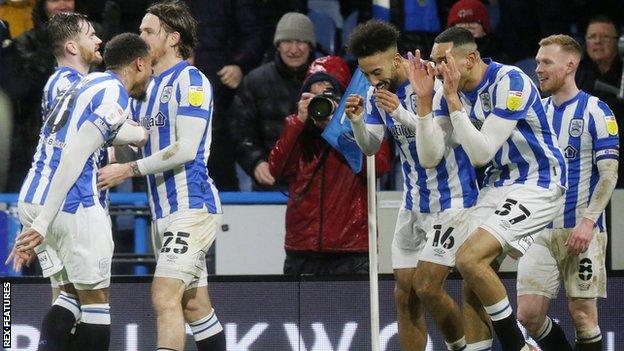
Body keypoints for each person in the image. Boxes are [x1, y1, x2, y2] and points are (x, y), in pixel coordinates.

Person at [405, 26, 566, 351]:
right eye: (434, 62)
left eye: (443, 60)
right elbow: (429, 156)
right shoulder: (442, 91)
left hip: (538, 181)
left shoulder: (510, 81)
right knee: (473, 283)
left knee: (469, 258)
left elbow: (480, 154)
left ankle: (518, 346)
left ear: (471, 58)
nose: (436, 70)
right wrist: (424, 101)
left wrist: (452, 101)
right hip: (495, 186)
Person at [7, 32, 151, 351]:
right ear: (140, 63)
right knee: (96, 300)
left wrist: (137, 134)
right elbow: (75, 152)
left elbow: (87, 131)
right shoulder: (115, 94)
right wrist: (43, 222)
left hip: (34, 194)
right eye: (150, 67)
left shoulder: (84, 83)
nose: (151, 75)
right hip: (71, 204)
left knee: (70, 292)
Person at [344, 20, 482, 351]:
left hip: (453, 203)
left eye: (375, 71)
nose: (371, 81)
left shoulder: (435, 83)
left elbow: (434, 150)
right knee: (405, 294)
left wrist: (403, 114)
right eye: (365, 75)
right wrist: (358, 121)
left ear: (396, 60)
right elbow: (371, 147)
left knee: (427, 286)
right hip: (413, 206)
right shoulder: (379, 92)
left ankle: (463, 346)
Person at [96, 2, 226, 350]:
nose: (140, 37)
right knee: (195, 306)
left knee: (163, 297)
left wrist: (129, 169)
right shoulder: (145, 89)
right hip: (162, 213)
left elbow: (185, 149)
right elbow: (134, 146)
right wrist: (98, 152)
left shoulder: (192, 80)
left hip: (192, 207)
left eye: (148, 31)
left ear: (172, 38)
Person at [516, 34, 619, 351]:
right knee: (528, 316)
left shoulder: (597, 111)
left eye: (546, 62)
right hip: (539, 232)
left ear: (570, 65)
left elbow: (609, 175)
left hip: (581, 231)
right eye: (537, 63)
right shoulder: (534, 114)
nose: (539, 69)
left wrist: (588, 222)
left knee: (583, 316)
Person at [268, 55, 392, 275]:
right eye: (313, 95)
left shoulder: (366, 125)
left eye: (327, 94)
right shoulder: (297, 128)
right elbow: (277, 171)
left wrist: (338, 129)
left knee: (353, 311)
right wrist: (298, 123)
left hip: (351, 247)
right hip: (302, 246)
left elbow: (378, 166)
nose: (320, 101)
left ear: (344, 97)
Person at [230, 11, 315, 191]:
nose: (293, 49)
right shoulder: (255, 81)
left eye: (300, 42)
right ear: (277, 45)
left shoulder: (325, 81)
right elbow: (239, 131)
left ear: (310, 45)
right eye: (287, 42)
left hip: (316, 183)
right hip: (270, 182)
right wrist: (256, 162)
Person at [188, 0, 268, 191]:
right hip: (181, 82)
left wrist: (240, 64)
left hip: (223, 86)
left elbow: (256, 33)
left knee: (218, 157)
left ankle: (226, 207)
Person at [575, 15, 624, 187]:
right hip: (586, 152)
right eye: (592, 37)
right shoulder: (577, 73)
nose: (597, 41)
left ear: (619, 42)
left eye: (604, 37)